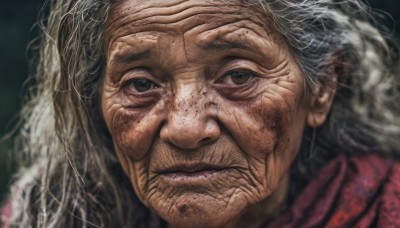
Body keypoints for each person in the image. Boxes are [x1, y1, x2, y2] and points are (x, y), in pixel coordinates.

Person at [2, 0, 400, 227]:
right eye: (141, 84)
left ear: (322, 88)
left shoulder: (386, 209)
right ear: (94, 102)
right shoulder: (39, 218)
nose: (186, 128)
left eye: (238, 76)